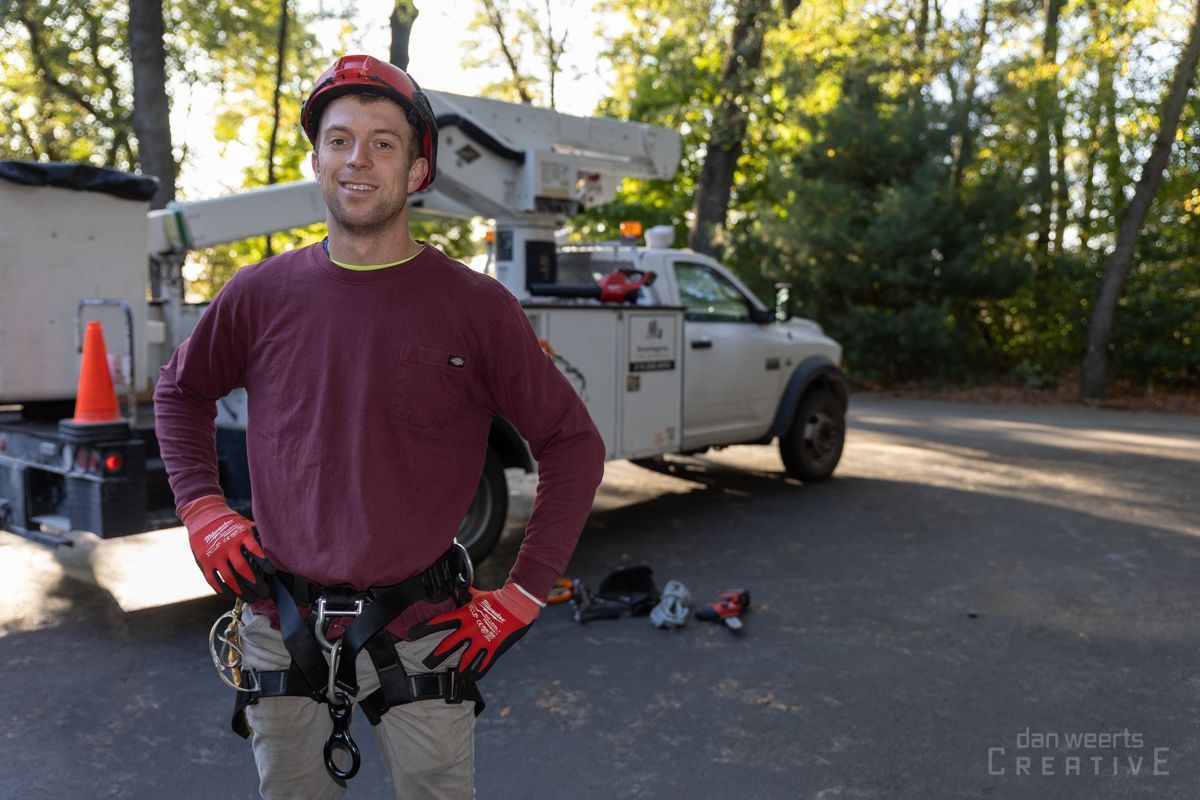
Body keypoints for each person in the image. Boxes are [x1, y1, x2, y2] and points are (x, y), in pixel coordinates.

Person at [154, 53, 606, 800]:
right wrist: (202, 506)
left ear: (418, 171)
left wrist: (523, 594)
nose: (356, 159)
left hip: (422, 630)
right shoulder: (260, 294)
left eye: (383, 142)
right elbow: (180, 391)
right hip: (282, 619)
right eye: (338, 140)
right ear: (317, 159)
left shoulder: (475, 307)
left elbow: (572, 443)